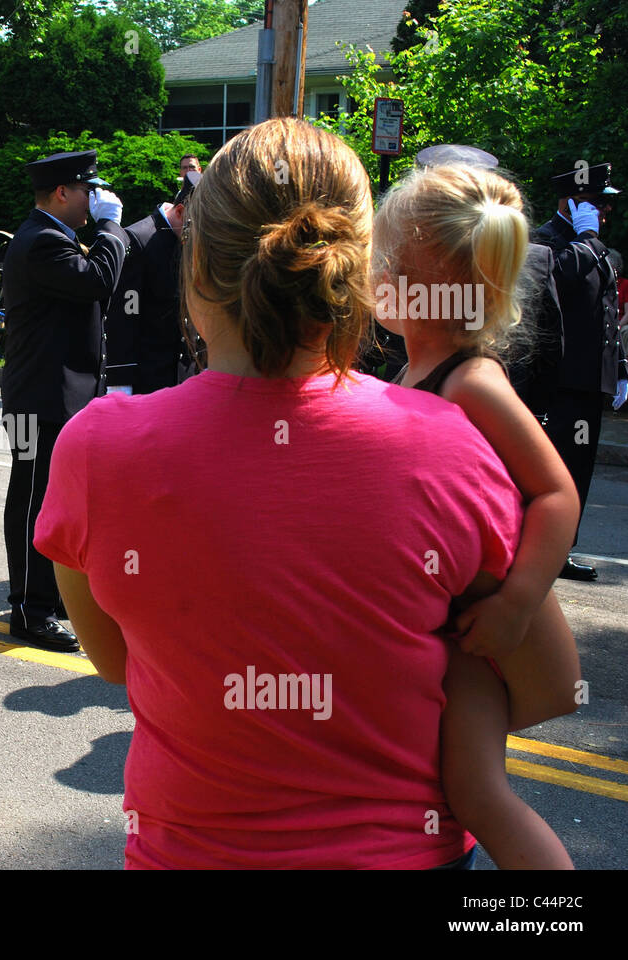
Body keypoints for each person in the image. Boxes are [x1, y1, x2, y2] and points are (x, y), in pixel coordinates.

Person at [33, 118, 552, 869]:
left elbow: (114, 662)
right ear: (361, 271)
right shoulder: (446, 442)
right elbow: (540, 684)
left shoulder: (96, 446)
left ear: (198, 264)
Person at [374, 161, 581, 868]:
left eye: (385, 259)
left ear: (421, 282)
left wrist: (519, 603)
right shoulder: (413, 370)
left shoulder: (472, 382)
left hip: (479, 632)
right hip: (450, 618)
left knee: (476, 791)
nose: (372, 273)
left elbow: (557, 493)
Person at [1, 149, 128, 652]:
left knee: (58, 500)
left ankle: (47, 598)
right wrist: (112, 228)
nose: (92, 200)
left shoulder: (53, 237)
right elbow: (99, 280)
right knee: (33, 500)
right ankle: (28, 611)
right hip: (41, 398)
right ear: (62, 193)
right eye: (86, 191)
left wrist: (104, 232)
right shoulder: (42, 242)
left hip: (60, 396)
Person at [533, 161, 628, 581]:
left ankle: (562, 548)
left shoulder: (596, 246)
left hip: (591, 380)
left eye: (604, 207)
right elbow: (552, 284)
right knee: (555, 470)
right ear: (570, 203)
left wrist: (620, 368)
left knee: (580, 470)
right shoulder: (546, 241)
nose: (603, 213)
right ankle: (540, 551)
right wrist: (586, 237)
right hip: (559, 381)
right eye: (594, 204)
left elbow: (605, 313)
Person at [105, 171, 198, 395]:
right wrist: (121, 384)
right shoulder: (140, 240)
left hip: (184, 377)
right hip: (148, 379)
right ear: (180, 211)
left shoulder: (185, 237)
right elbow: (123, 318)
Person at [612, 248, 628, 362]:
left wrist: (617, 326)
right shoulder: (601, 285)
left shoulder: (627, 285)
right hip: (605, 324)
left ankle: (627, 371)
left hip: (621, 324)